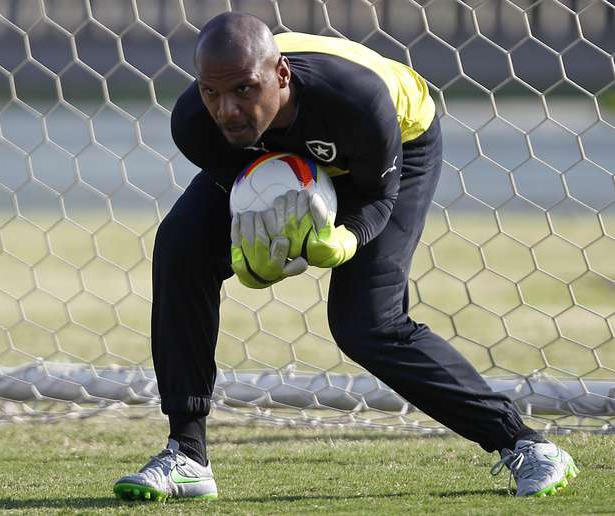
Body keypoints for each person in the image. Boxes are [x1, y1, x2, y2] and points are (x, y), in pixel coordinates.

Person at [113, 12, 578, 501]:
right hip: (282, 153)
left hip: (392, 149)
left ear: (281, 75)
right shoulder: (196, 124)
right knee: (181, 246)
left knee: (367, 323)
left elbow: (377, 198)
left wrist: (345, 239)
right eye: (212, 92)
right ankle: (186, 455)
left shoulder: (359, 101)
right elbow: (251, 188)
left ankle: (525, 444)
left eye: (245, 90)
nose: (227, 109)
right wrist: (256, 247)